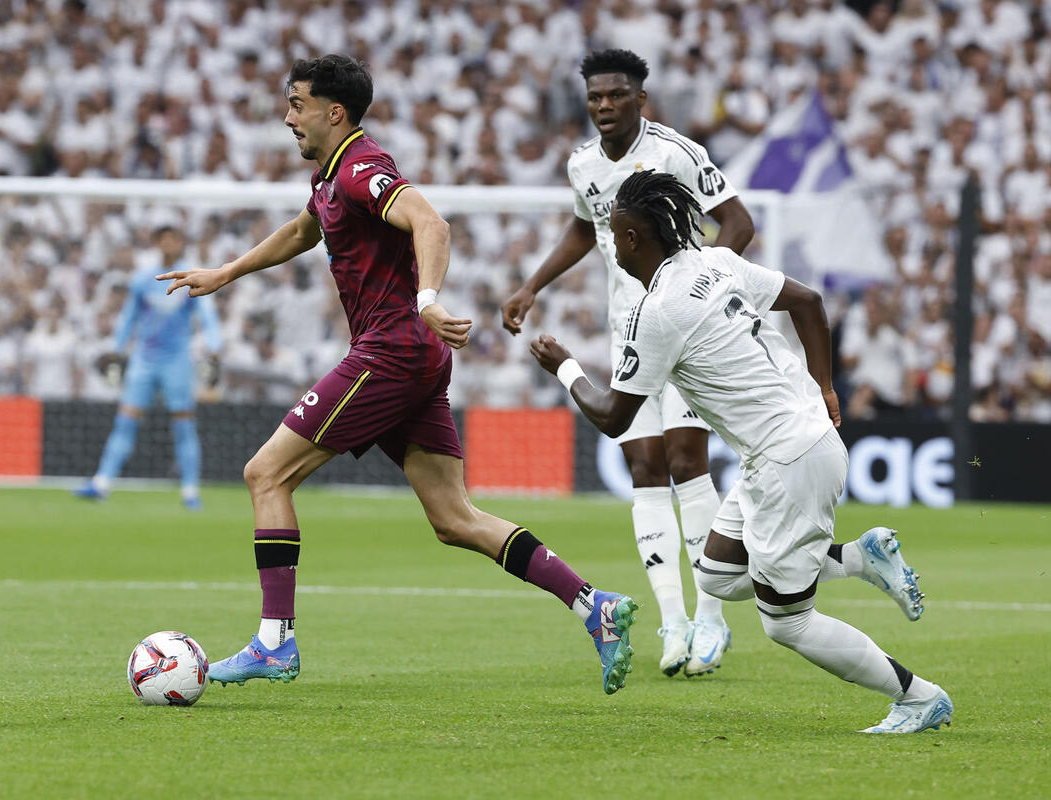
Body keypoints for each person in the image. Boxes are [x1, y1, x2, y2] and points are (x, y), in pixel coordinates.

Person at [157, 54, 639, 694]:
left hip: (391, 349)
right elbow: (304, 230)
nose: (286, 117)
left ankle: (275, 640)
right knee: (454, 518)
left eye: (296, 104)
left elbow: (430, 221)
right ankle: (594, 606)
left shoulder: (361, 167)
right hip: (409, 357)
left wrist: (429, 298)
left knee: (264, 473)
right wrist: (226, 273)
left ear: (335, 113)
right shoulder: (332, 178)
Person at [531, 171, 950, 733]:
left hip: (787, 461)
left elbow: (613, 417)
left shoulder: (655, 312)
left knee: (788, 624)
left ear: (633, 238)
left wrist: (565, 366)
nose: (609, 243)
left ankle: (918, 697)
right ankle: (859, 558)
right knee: (718, 576)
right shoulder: (716, 262)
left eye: (613, 232)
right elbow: (808, 301)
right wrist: (825, 386)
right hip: (795, 445)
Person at [501, 49, 755, 678]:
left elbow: (738, 222)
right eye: (595, 98)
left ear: (641, 98)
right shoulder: (582, 164)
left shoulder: (677, 153)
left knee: (685, 459)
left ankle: (711, 621)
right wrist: (533, 285)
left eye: (617, 95)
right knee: (643, 466)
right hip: (630, 334)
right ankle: (672, 621)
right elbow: (586, 230)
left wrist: (703, 281)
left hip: (691, 332)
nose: (605, 106)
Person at [74, 223, 222, 510]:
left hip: (177, 360)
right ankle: (101, 483)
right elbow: (130, 316)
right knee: (125, 421)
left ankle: (190, 490)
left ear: (181, 242)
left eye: (174, 238)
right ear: (157, 242)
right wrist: (117, 348)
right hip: (144, 358)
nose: (168, 244)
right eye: (163, 239)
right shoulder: (143, 279)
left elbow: (207, 314)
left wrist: (213, 346)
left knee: (183, 425)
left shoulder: (191, 276)